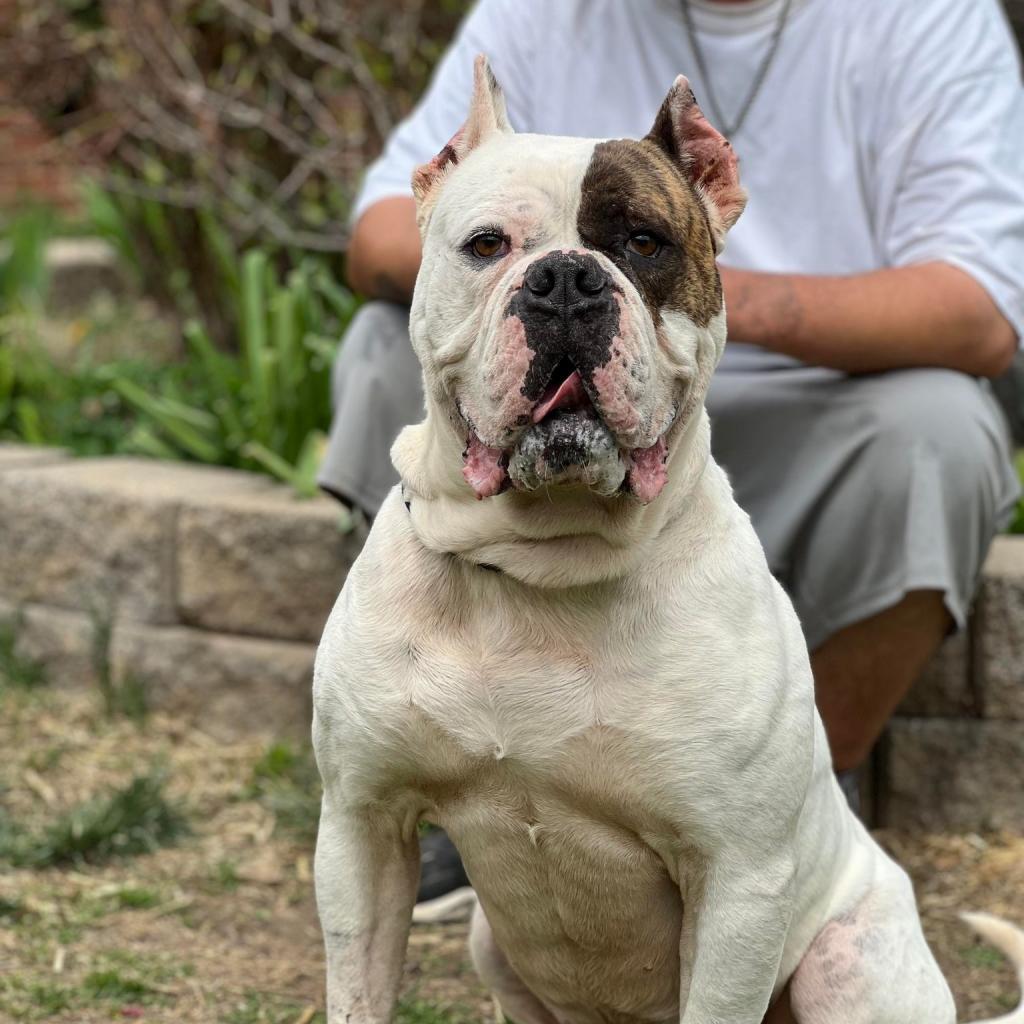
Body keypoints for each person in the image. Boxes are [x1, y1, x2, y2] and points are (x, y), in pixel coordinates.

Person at [319, 0, 1024, 908]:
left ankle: (803, 782)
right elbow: (380, 232)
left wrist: (663, 294)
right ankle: (459, 779)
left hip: (812, 405)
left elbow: (979, 310)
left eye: (647, 243)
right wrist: (521, 276)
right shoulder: (540, 14)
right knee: (382, 347)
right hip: (526, 382)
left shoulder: (927, 19)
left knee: (942, 431)